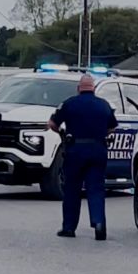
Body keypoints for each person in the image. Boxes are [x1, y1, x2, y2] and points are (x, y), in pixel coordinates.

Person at [48, 74, 118, 240]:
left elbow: (52, 124)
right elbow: (112, 128)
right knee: (96, 189)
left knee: (72, 189)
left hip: (75, 150)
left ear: (79, 88)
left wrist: (63, 134)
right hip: (98, 150)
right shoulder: (104, 105)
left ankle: (69, 228)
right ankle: (99, 224)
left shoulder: (69, 103)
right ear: (93, 88)